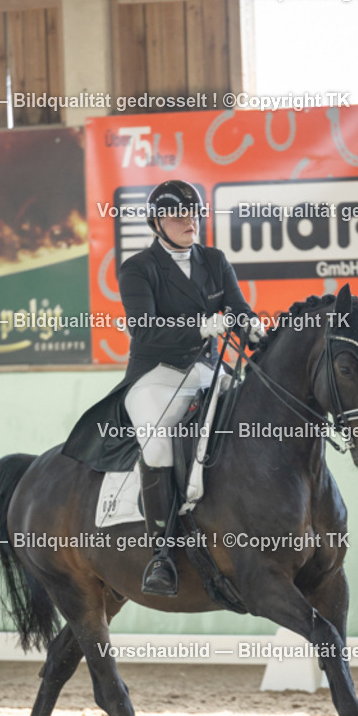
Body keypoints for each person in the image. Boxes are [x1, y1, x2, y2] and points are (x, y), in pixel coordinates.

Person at [118, 180, 265, 597]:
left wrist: (251, 328)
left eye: (193, 213)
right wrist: (198, 326)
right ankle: (161, 554)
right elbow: (143, 329)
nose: (189, 221)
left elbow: (236, 307)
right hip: (155, 374)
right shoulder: (138, 268)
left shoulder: (214, 260)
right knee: (160, 443)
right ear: (157, 222)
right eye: (178, 214)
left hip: (205, 370)